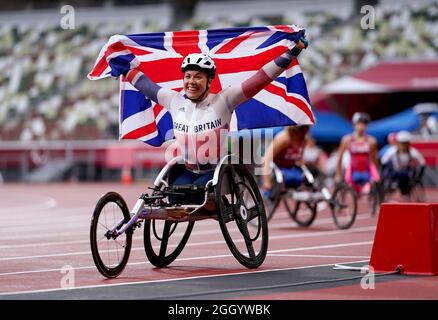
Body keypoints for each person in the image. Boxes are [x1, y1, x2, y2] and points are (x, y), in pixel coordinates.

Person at [114, 36, 308, 201]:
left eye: (198, 77)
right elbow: (145, 85)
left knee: (197, 195)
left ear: (209, 81)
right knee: (170, 198)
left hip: (216, 172)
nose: (191, 82)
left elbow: (261, 78)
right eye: (188, 76)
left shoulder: (224, 100)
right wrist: (120, 63)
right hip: (187, 169)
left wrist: (290, 54)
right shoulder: (173, 100)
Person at [335, 112, 380, 193]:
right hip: (352, 170)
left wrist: (376, 173)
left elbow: (374, 159)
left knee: (374, 182)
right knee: (350, 186)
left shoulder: (371, 141)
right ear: (354, 125)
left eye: (364, 124)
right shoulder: (346, 140)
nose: (362, 126)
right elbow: (340, 158)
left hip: (366, 170)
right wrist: (338, 174)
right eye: (359, 123)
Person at [262, 125, 309, 195]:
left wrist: (306, 173)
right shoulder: (284, 138)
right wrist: (266, 181)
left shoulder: (304, 140)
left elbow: (300, 159)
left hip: (290, 168)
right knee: (291, 177)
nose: (307, 131)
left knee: (301, 177)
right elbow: (267, 158)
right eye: (305, 128)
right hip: (277, 168)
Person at [381, 130, 426, 197]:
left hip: (406, 174)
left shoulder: (413, 152)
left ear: (408, 144)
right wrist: (384, 173)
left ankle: (406, 190)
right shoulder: (392, 151)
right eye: (402, 143)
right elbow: (383, 161)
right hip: (394, 172)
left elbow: (422, 162)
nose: (403, 146)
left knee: (408, 177)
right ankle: (391, 188)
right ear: (398, 143)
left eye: (405, 143)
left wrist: (419, 176)